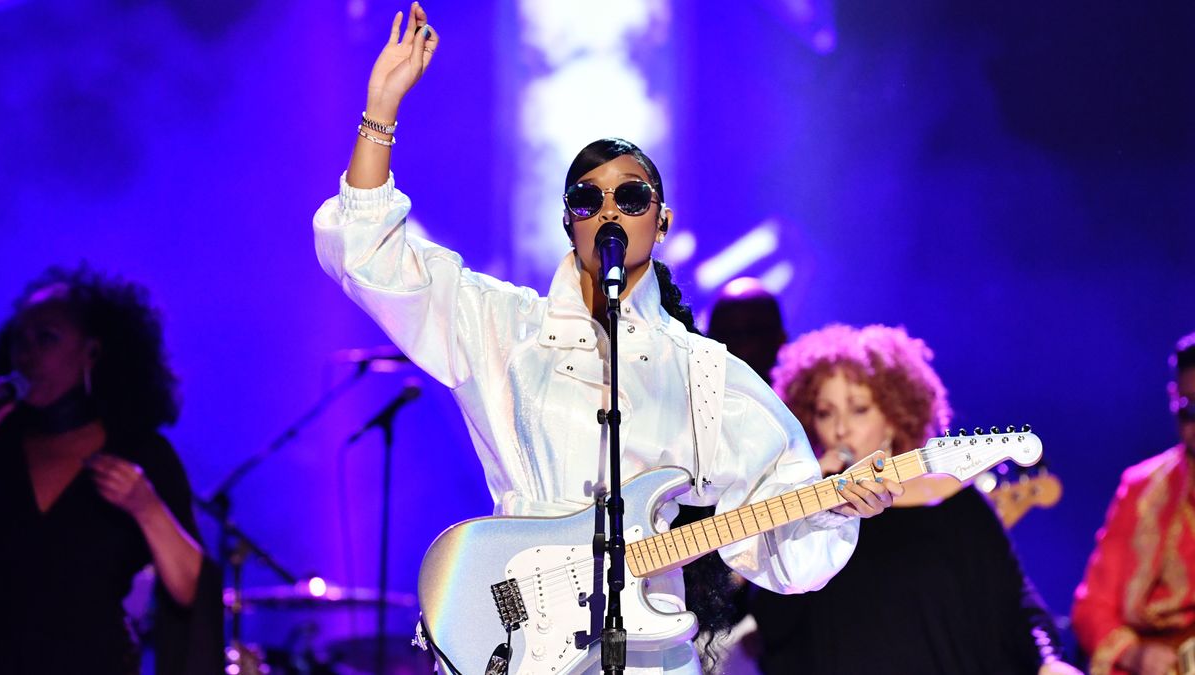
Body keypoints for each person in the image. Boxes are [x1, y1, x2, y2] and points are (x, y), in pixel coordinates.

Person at [312, 4, 901, 672]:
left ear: (663, 218)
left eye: (632, 196)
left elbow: (777, 519)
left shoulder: (701, 370)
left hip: (650, 652)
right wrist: (381, 106)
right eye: (589, 199)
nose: (610, 210)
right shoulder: (504, 328)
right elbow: (369, 256)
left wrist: (837, 507)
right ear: (569, 221)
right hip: (521, 639)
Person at [749, 323, 1079, 675]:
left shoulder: (954, 502)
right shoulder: (808, 519)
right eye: (825, 413)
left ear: (893, 417)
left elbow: (1016, 603)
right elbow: (772, 624)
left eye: (859, 409)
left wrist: (1050, 663)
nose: (840, 429)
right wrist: (812, 500)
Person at [0, 265, 222, 675]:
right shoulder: (3, 442)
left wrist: (147, 508)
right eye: (18, 340)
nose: (26, 355)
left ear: (92, 351)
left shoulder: (138, 452)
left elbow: (193, 589)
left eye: (46, 338)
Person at [1071, 332, 1195, 675]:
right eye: (1191, 409)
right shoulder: (1142, 489)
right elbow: (1092, 608)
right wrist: (1135, 655)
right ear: (1174, 400)